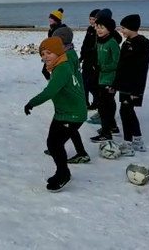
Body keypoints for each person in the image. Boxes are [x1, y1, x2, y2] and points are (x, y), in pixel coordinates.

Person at [24, 37, 87, 192]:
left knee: (55, 144)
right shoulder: (59, 65)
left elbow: (50, 91)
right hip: (63, 113)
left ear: (59, 53)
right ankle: (62, 170)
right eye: (43, 53)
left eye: (49, 53)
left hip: (72, 114)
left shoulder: (62, 68)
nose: (45, 56)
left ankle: (63, 173)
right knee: (53, 143)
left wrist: (32, 103)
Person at [47, 26, 90, 163]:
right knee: (71, 127)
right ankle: (60, 148)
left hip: (71, 99)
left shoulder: (68, 56)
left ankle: (80, 153)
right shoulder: (68, 53)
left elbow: (68, 77)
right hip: (70, 98)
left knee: (70, 126)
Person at [114, 14, 149, 156]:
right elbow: (121, 66)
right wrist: (115, 84)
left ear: (131, 28)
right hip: (123, 85)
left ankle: (129, 143)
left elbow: (142, 70)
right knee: (126, 112)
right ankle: (135, 141)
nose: (121, 30)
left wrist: (137, 91)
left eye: (123, 28)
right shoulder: (127, 42)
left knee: (126, 112)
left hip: (133, 87)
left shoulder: (142, 44)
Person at [90, 14, 121, 142]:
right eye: (97, 27)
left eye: (102, 27)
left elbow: (117, 62)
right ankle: (111, 127)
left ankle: (106, 132)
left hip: (110, 79)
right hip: (101, 78)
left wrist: (103, 67)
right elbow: (97, 57)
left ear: (109, 29)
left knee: (104, 106)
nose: (99, 30)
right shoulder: (99, 41)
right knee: (103, 104)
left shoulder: (112, 42)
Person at [80, 9, 100, 110]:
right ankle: (85, 102)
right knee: (83, 82)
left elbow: (96, 49)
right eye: (90, 19)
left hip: (94, 62)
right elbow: (85, 44)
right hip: (86, 60)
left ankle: (96, 102)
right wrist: (81, 56)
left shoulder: (99, 31)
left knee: (92, 84)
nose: (92, 21)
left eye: (94, 19)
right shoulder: (89, 29)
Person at [41, 8, 67, 80]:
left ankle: (54, 86)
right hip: (50, 53)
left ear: (56, 20)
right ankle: (52, 85)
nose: (49, 19)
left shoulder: (60, 30)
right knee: (46, 71)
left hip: (57, 54)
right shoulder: (51, 29)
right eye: (49, 17)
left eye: (51, 18)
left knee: (52, 71)